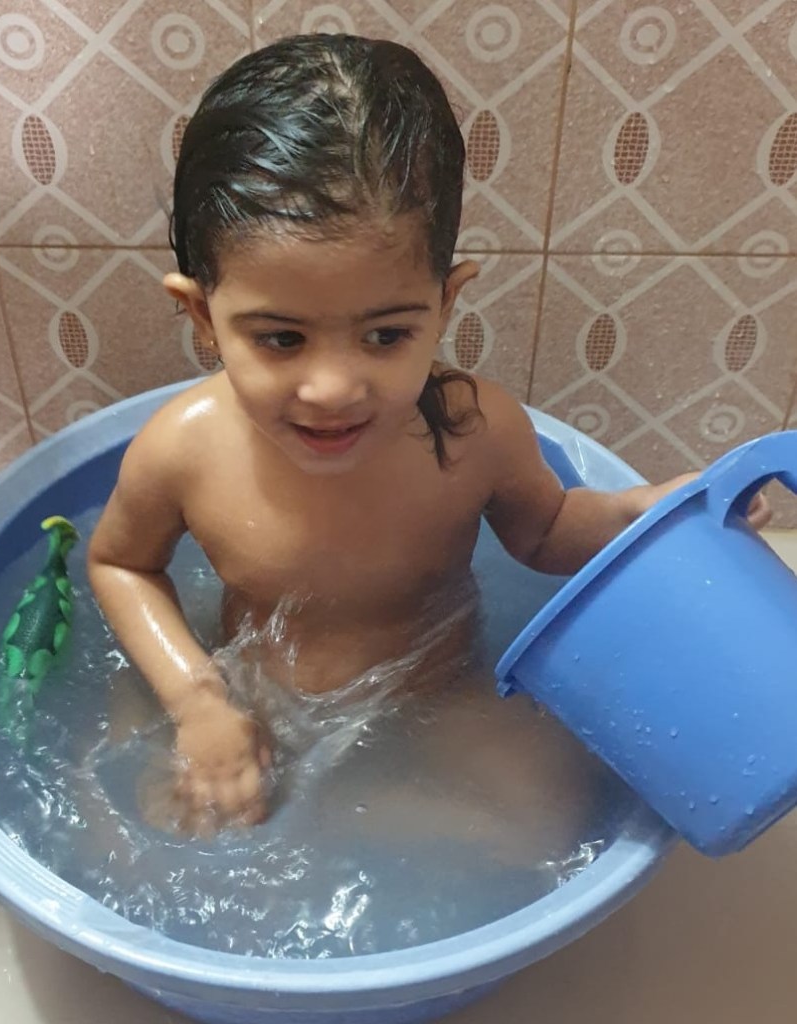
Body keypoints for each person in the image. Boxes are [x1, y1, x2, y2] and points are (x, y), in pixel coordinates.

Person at [87, 34, 770, 837]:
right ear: (203, 316)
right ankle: (325, 810)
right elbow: (120, 563)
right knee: (151, 828)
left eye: (385, 335)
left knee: (553, 816)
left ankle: (350, 819)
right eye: (281, 338)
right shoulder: (184, 448)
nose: (334, 388)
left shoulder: (474, 430)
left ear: (445, 304)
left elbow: (546, 532)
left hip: (436, 693)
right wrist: (198, 700)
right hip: (253, 699)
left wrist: (642, 514)